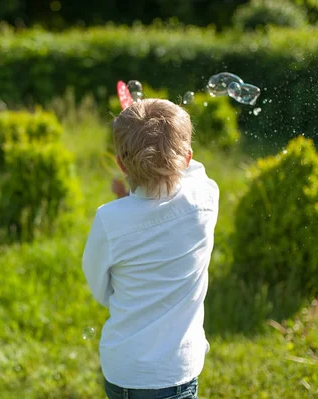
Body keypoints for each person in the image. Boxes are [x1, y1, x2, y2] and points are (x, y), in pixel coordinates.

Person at [82, 99, 219, 399]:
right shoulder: (206, 199)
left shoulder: (109, 218)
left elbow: (99, 288)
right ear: (187, 158)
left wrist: (139, 129)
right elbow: (192, 170)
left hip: (124, 370)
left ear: (119, 164)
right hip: (175, 372)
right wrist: (158, 130)